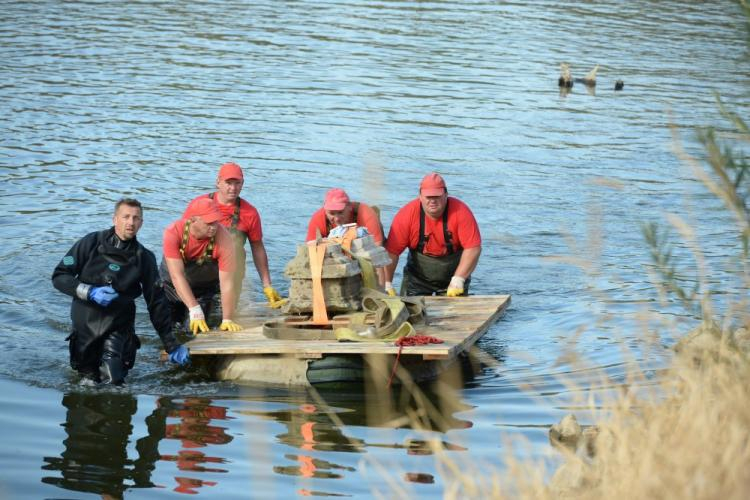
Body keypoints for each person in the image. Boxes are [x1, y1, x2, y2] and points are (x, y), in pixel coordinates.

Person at [52, 198, 190, 385]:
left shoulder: (144, 258)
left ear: (141, 223)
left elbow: (156, 303)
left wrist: (171, 345)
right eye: (126, 217)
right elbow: (59, 276)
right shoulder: (90, 243)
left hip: (119, 326)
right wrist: (89, 291)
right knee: (87, 380)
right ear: (115, 219)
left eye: (136, 218)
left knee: (113, 382)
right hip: (85, 324)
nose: (130, 222)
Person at [183, 162, 284, 309]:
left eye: (237, 183)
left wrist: (267, 285)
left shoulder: (250, 213)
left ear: (242, 184)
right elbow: (183, 236)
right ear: (218, 182)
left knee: (227, 315)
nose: (233, 188)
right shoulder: (198, 204)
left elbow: (257, 248)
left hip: (232, 272)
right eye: (228, 183)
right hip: (199, 270)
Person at [384, 172, 482, 296]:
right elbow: (391, 253)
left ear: (446, 194)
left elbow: (473, 248)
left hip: (453, 278)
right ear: (420, 196)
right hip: (417, 280)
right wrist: (386, 283)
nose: (432, 201)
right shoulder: (406, 215)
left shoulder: (461, 212)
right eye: (428, 197)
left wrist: (459, 278)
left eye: (437, 196)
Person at [161, 196, 242, 334]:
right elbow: (177, 276)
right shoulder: (173, 232)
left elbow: (227, 283)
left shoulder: (225, 239)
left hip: (204, 290)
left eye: (216, 222)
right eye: (208, 223)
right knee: (168, 327)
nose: (214, 227)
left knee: (193, 330)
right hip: (172, 286)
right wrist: (194, 309)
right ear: (193, 219)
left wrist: (227, 319)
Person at [305, 188, 385, 245]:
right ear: (325, 210)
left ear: (349, 206)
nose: (337, 219)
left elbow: (377, 245)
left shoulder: (365, 214)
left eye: (341, 212)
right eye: (332, 213)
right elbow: (310, 246)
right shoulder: (318, 218)